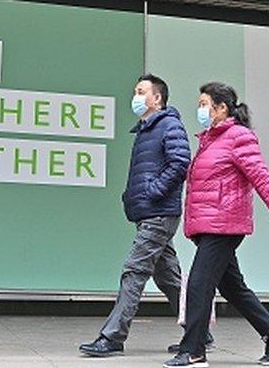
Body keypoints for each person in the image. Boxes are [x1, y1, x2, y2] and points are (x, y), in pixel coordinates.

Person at [164, 82, 269, 368]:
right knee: (232, 286)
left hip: (224, 224)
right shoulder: (210, 139)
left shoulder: (239, 137)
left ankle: (194, 350)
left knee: (199, 284)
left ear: (221, 107)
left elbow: (261, 177)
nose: (199, 109)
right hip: (210, 223)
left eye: (203, 104)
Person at [80, 74, 212, 356]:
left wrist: (152, 191)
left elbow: (179, 164)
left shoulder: (169, 125)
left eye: (141, 92)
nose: (136, 97)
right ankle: (199, 331)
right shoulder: (145, 129)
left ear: (157, 98)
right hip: (149, 212)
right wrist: (133, 197)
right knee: (168, 278)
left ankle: (113, 337)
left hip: (159, 212)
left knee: (134, 270)